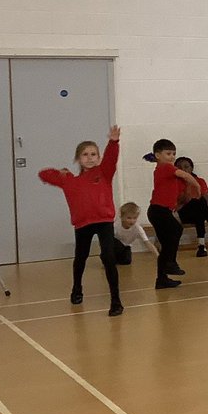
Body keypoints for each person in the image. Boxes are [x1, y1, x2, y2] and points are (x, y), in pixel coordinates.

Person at [37, 126, 125, 316]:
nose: (90, 157)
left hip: (104, 221)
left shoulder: (104, 173)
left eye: (94, 154)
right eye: (85, 154)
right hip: (83, 224)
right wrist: (60, 172)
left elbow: (111, 158)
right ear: (78, 159)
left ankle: (116, 301)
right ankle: (77, 288)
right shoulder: (70, 181)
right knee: (81, 258)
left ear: (99, 158)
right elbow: (43, 174)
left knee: (109, 257)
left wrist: (113, 142)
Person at [148, 138, 200, 289]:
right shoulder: (165, 167)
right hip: (158, 211)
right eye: (168, 153)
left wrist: (180, 202)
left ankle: (162, 279)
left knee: (166, 244)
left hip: (160, 211)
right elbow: (185, 175)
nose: (172, 157)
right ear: (158, 155)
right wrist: (196, 184)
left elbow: (175, 191)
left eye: (174, 154)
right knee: (177, 229)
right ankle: (170, 263)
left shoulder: (166, 172)